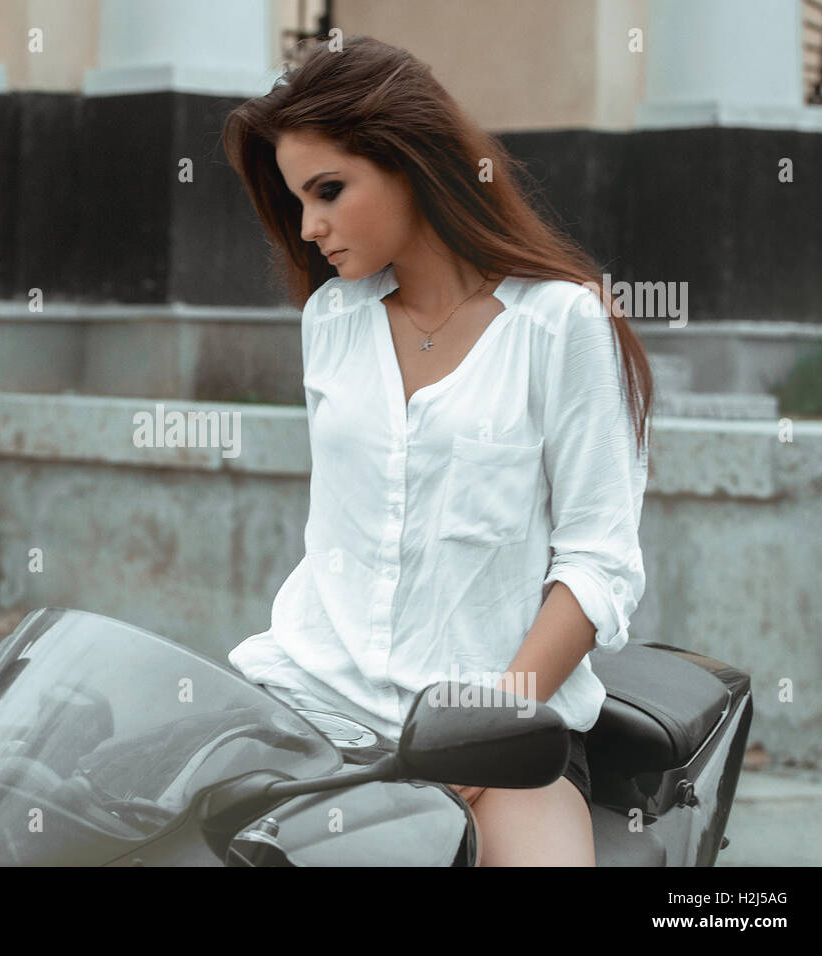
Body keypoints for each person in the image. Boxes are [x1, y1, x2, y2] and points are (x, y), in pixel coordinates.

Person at [221, 36, 653, 866]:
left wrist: (486, 734)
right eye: (297, 201)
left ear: (410, 163)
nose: (309, 229)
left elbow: (599, 563)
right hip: (306, 699)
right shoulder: (332, 321)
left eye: (330, 191)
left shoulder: (560, 323)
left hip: (496, 732)